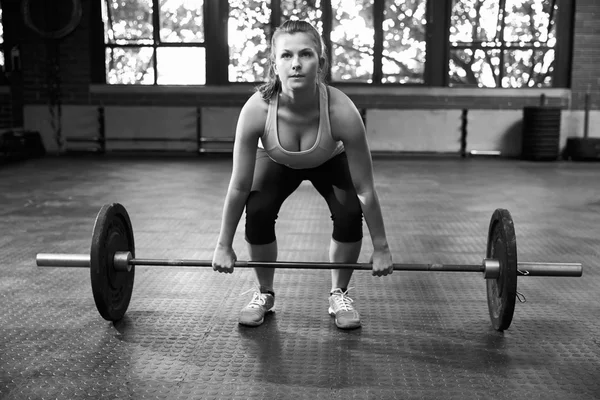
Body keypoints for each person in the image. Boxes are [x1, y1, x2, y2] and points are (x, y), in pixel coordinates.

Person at [212, 19, 393, 330]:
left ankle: (339, 294)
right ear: (274, 63)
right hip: (275, 159)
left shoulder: (341, 111)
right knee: (257, 209)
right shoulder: (256, 109)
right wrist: (223, 244)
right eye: (286, 55)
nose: (296, 64)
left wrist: (382, 247)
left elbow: (364, 189)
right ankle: (264, 293)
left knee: (350, 212)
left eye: (305, 54)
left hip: (329, 159)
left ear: (320, 62)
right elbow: (239, 186)